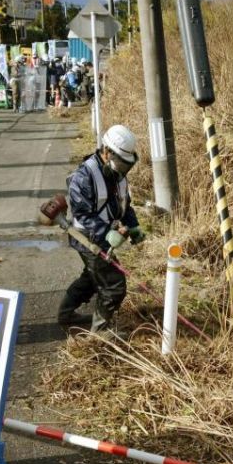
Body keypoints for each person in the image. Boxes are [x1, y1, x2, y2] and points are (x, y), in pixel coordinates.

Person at [58, 125, 145, 333]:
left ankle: (65, 314)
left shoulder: (118, 175)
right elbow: (83, 214)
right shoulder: (85, 176)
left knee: (91, 278)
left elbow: (125, 205)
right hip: (87, 237)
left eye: (126, 165)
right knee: (114, 286)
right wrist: (107, 232)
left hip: (103, 236)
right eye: (120, 163)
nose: (123, 170)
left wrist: (133, 227)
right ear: (106, 151)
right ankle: (100, 332)